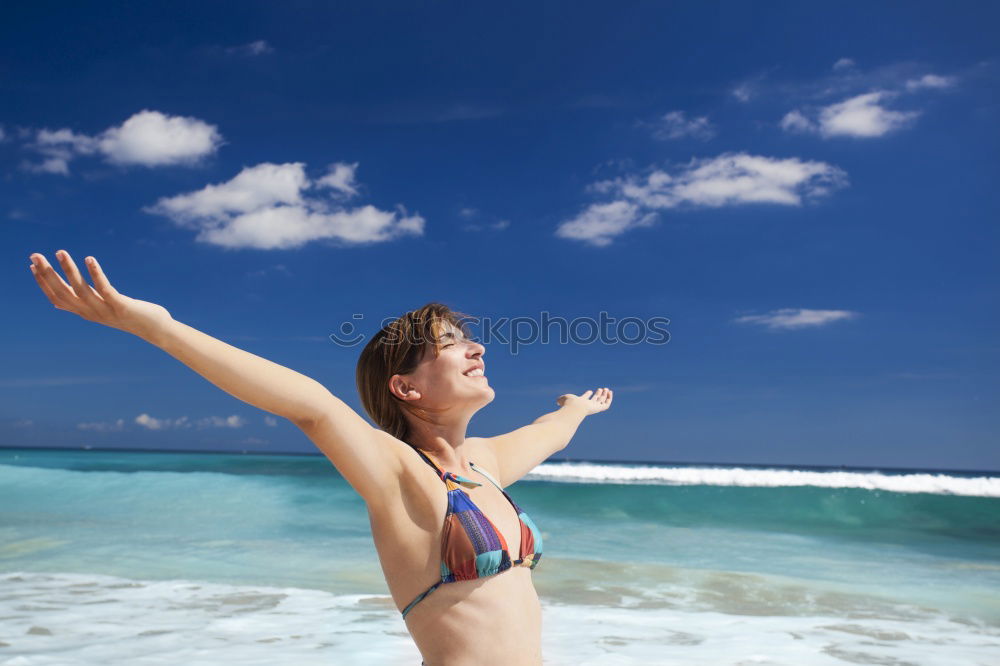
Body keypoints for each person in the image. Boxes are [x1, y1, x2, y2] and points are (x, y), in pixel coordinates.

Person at [27, 249, 614, 666]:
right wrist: (158, 328)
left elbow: (549, 432)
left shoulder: (484, 465)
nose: (475, 346)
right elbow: (311, 405)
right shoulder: (400, 472)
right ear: (405, 388)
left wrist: (576, 410)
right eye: (449, 343)